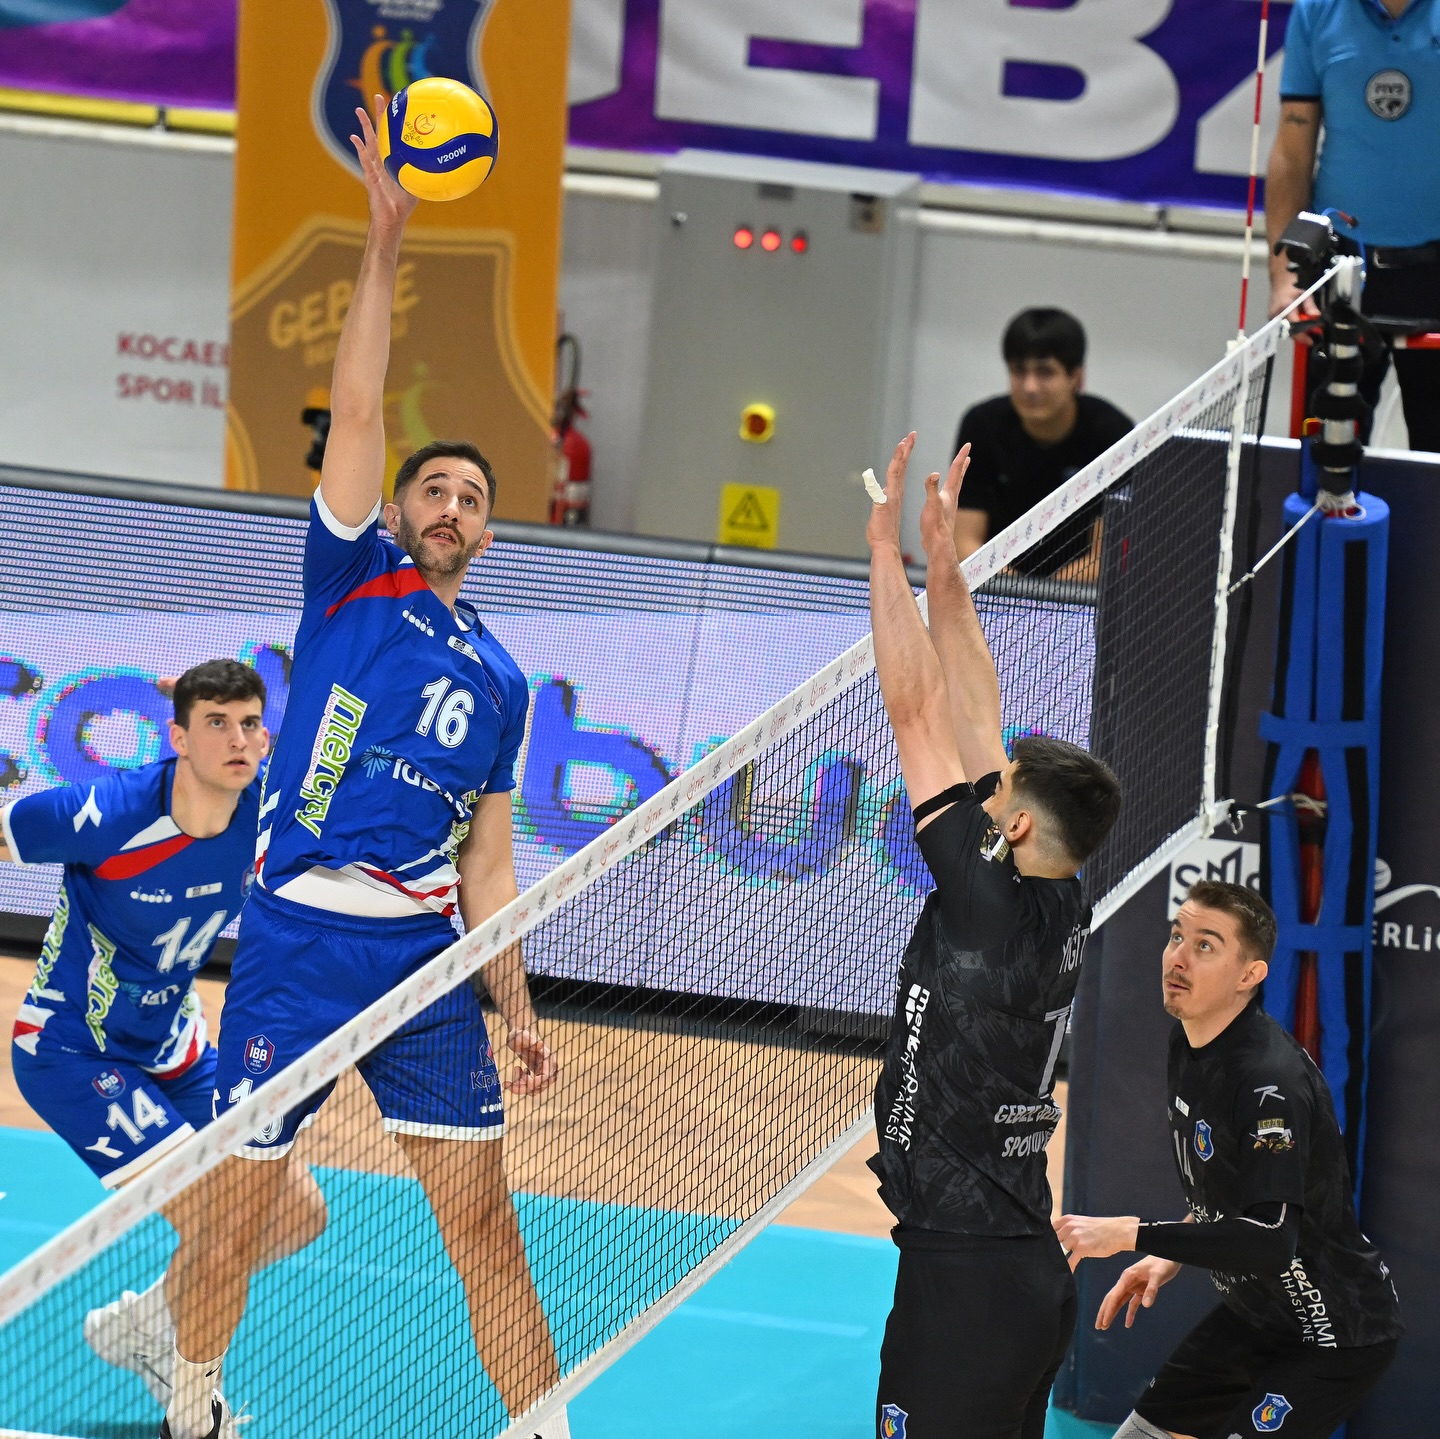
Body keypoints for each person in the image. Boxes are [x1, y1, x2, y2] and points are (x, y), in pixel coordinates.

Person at [159, 100, 564, 1439]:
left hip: (427, 962)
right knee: (234, 1221)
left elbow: (489, 859)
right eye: (432, 488)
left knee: (488, 1230)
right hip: (297, 941)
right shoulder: (350, 577)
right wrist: (386, 240)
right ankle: (192, 1398)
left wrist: (512, 995)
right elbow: (363, 402)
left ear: (489, 535)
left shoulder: (502, 677)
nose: (449, 505)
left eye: (471, 499)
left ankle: (547, 1427)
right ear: (396, 507)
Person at [864, 433, 1123, 1439]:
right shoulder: (1061, 895)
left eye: (1002, 787)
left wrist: (883, 547)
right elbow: (978, 709)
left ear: (1011, 827)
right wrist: (944, 564)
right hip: (1022, 1276)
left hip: (961, 1290)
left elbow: (916, 710)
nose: (991, 778)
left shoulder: (984, 899)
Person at [5, 659, 325, 1410]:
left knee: (296, 1214)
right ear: (178, 737)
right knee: (219, 1222)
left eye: (249, 724)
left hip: (174, 1046)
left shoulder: (269, 818)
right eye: (216, 723)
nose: (238, 740)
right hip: (72, 1051)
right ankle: (190, 1405)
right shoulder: (107, 814)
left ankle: (147, 1322)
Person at [1055, 880, 1403, 1439]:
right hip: (1255, 1315)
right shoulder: (1188, 1042)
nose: (1178, 958)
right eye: (1177, 936)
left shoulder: (1269, 1085)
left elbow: (1269, 1237)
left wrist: (1130, 1234)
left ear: (1250, 975)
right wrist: (1167, 1257)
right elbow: (1232, 1189)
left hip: (1333, 1335)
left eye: (1205, 946)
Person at [1267, 0, 1440, 451]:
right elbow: (1292, 151)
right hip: (1342, 276)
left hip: (1434, 270)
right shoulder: (1316, 11)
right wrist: (1284, 277)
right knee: (1324, 457)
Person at [952, 309, 1132, 580]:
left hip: (1077, 593)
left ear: (1076, 378)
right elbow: (965, 542)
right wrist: (1015, 595)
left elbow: (1104, 557)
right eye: (1018, 371)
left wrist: (1042, 597)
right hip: (996, 587)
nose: (1030, 387)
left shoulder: (1113, 436)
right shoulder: (981, 425)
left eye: (1045, 372)